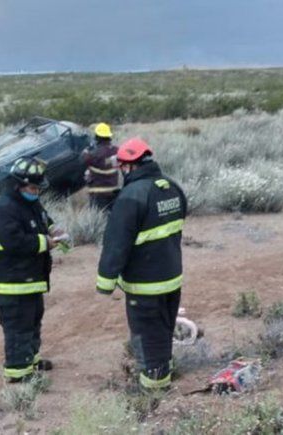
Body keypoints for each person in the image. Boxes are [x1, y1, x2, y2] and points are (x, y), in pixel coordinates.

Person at [95, 138, 187, 391]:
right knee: (163, 331)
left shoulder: (131, 196)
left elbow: (116, 243)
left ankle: (154, 390)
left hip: (145, 284)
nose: (122, 172)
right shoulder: (171, 187)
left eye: (123, 167)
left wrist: (105, 282)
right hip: (171, 277)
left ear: (130, 167)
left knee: (147, 336)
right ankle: (163, 374)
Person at [0, 157, 65, 382]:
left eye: (39, 188)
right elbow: (15, 242)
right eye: (32, 187)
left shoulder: (30, 203)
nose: (36, 192)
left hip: (30, 279)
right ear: (18, 185)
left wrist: (54, 229)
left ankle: (30, 360)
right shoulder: (4, 209)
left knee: (32, 322)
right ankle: (19, 374)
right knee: (18, 327)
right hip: (12, 283)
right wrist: (45, 243)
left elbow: (43, 220)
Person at [82, 122, 120, 211]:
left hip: (98, 193)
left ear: (97, 137)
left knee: (100, 220)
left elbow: (82, 160)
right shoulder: (117, 150)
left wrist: (86, 150)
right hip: (113, 191)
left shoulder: (94, 154)